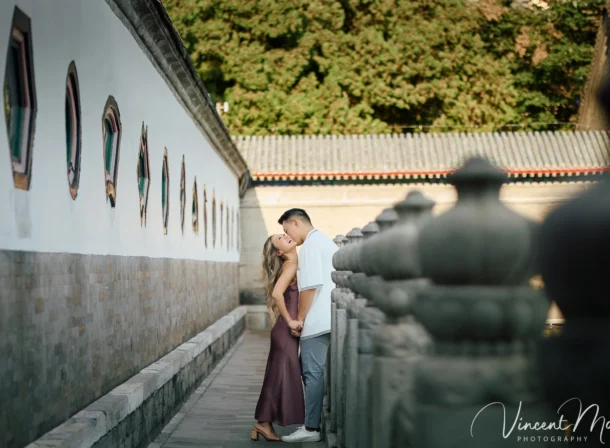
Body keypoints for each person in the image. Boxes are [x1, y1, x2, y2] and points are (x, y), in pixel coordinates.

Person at [279, 209, 338, 443]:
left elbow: (309, 287)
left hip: (317, 320)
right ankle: (313, 425)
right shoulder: (322, 240)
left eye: (286, 230)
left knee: (312, 373)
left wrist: (300, 319)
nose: (287, 235)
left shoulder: (312, 245)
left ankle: (311, 428)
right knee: (317, 372)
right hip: (327, 317)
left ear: (296, 222)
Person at [251, 234, 306, 442]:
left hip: (283, 331)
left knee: (276, 376)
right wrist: (291, 321)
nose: (286, 236)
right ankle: (263, 423)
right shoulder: (290, 265)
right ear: (280, 252)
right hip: (285, 331)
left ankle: (262, 423)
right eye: (281, 239)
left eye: (283, 234)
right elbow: (276, 294)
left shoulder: (293, 263)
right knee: (279, 377)